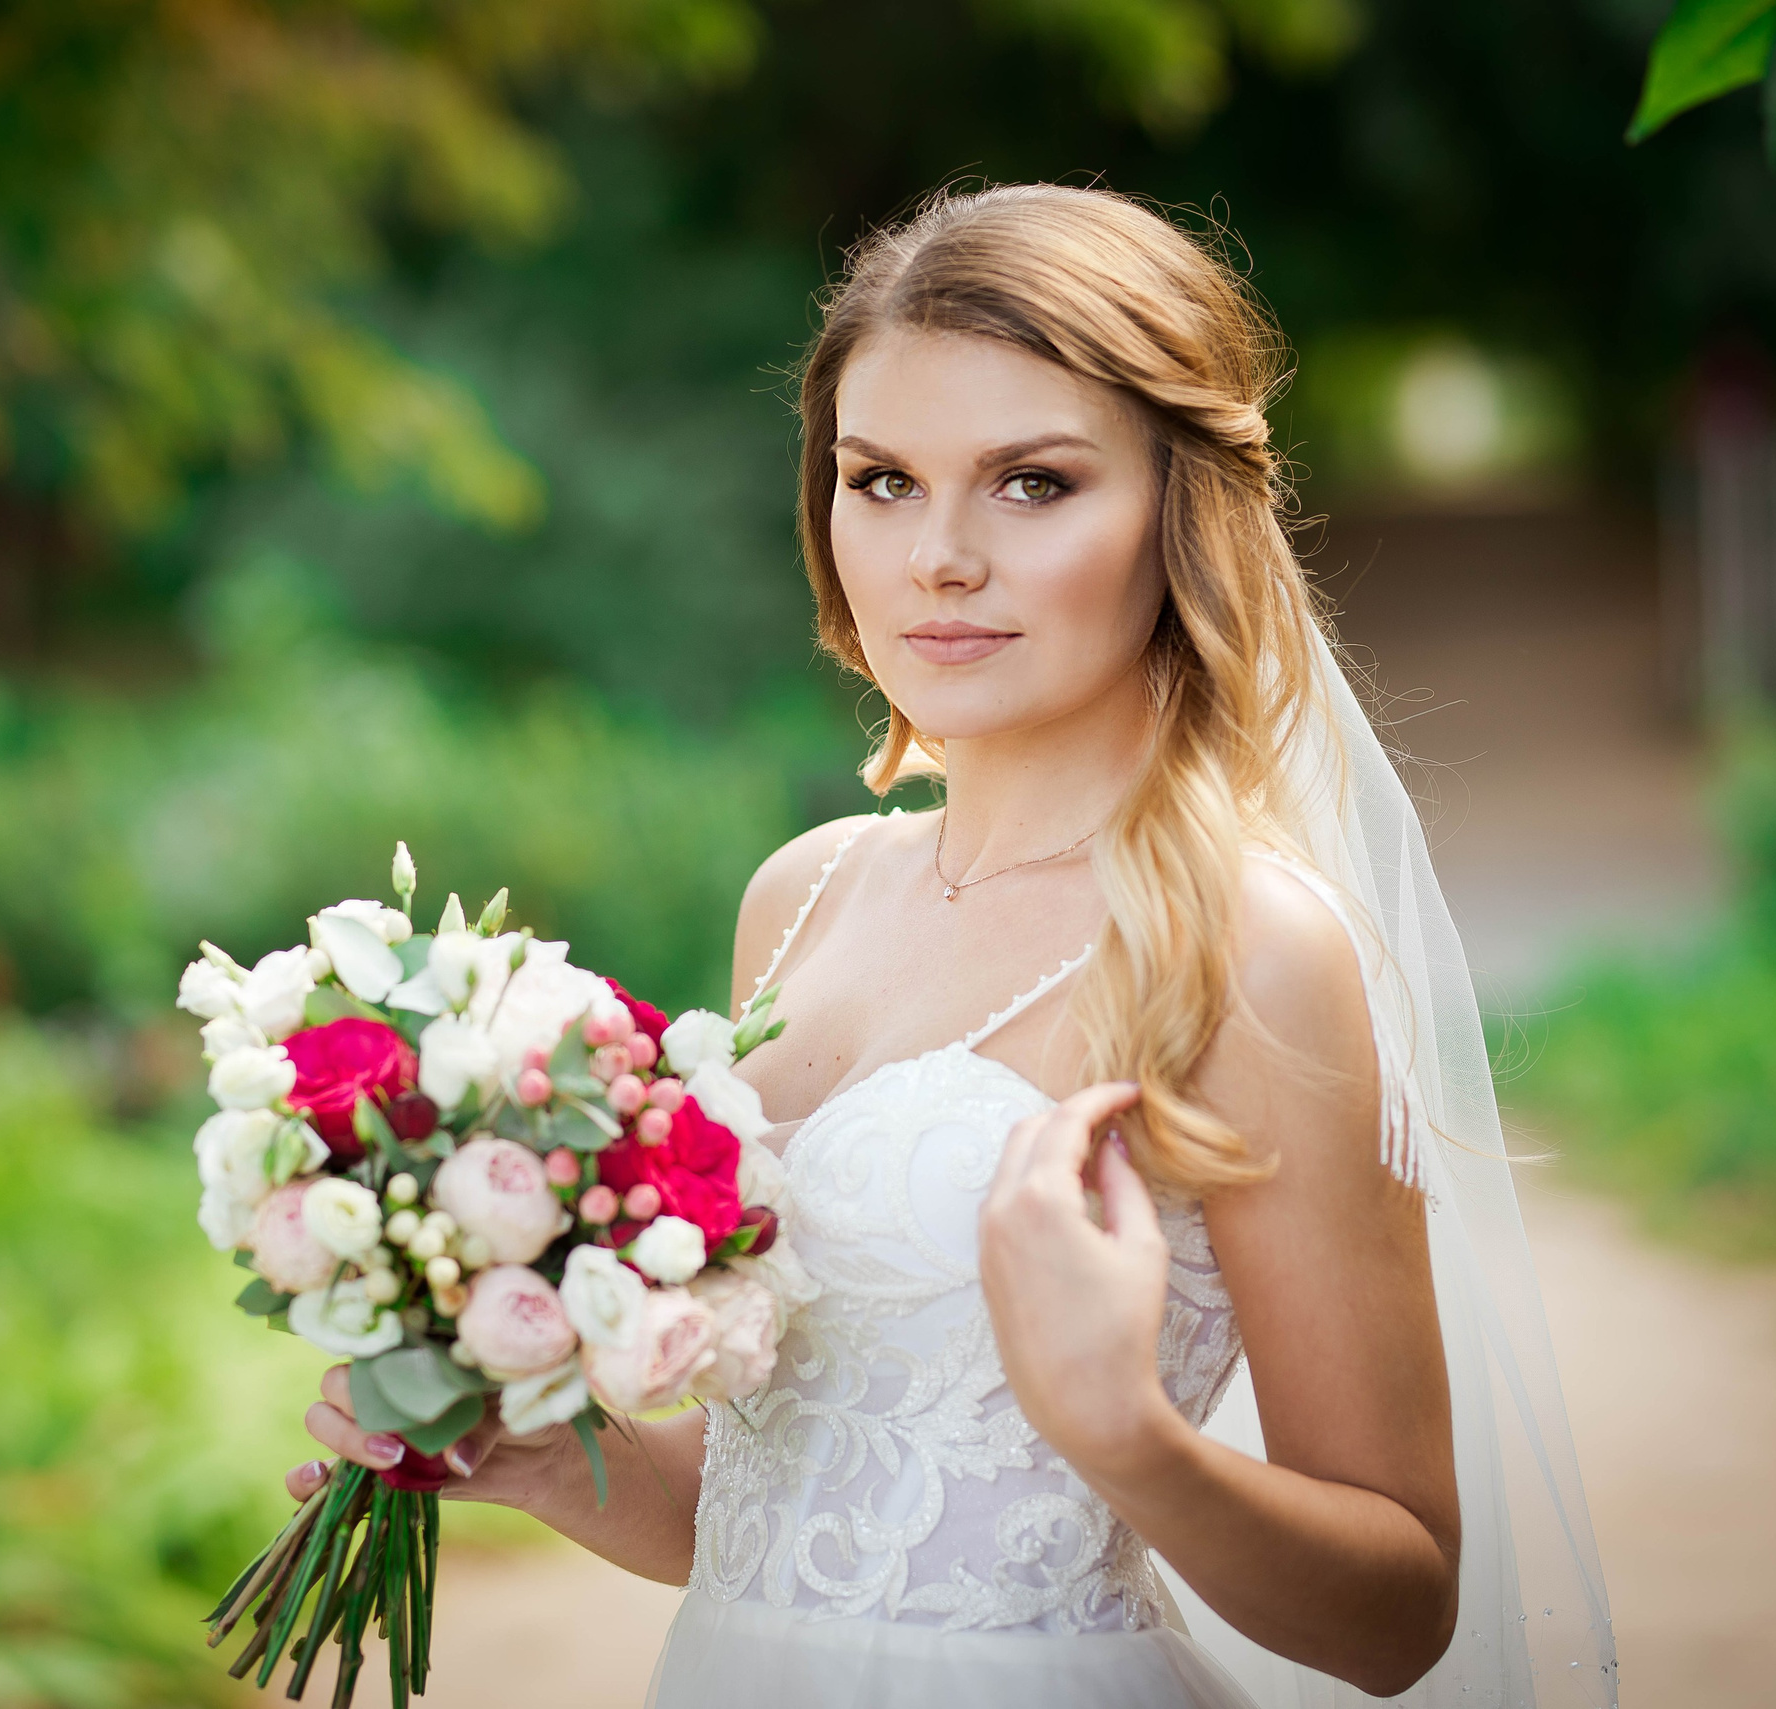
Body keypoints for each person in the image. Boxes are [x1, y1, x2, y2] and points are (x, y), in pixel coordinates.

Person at [284, 184, 1615, 1708]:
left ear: (1179, 509)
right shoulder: (801, 896)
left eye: (1034, 484)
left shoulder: (1242, 948)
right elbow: (767, 1510)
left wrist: (1129, 1436)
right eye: (883, 481)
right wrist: (529, 1447)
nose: (939, 557)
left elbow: (1400, 1611)